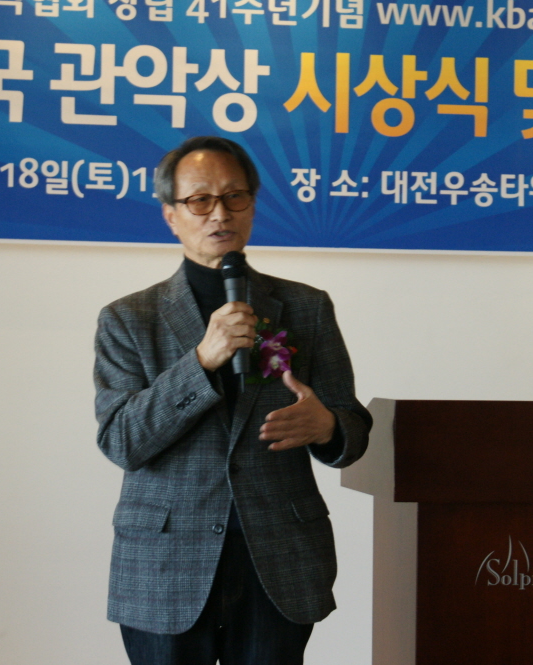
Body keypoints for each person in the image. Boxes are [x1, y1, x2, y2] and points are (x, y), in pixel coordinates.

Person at [94, 136, 372, 665]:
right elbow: (122, 440)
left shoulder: (306, 308)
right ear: (171, 215)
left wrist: (328, 428)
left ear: (252, 204)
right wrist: (202, 360)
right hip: (165, 565)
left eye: (234, 197)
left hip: (278, 558)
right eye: (200, 200)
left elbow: (352, 429)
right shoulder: (129, 320)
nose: (219, 213)